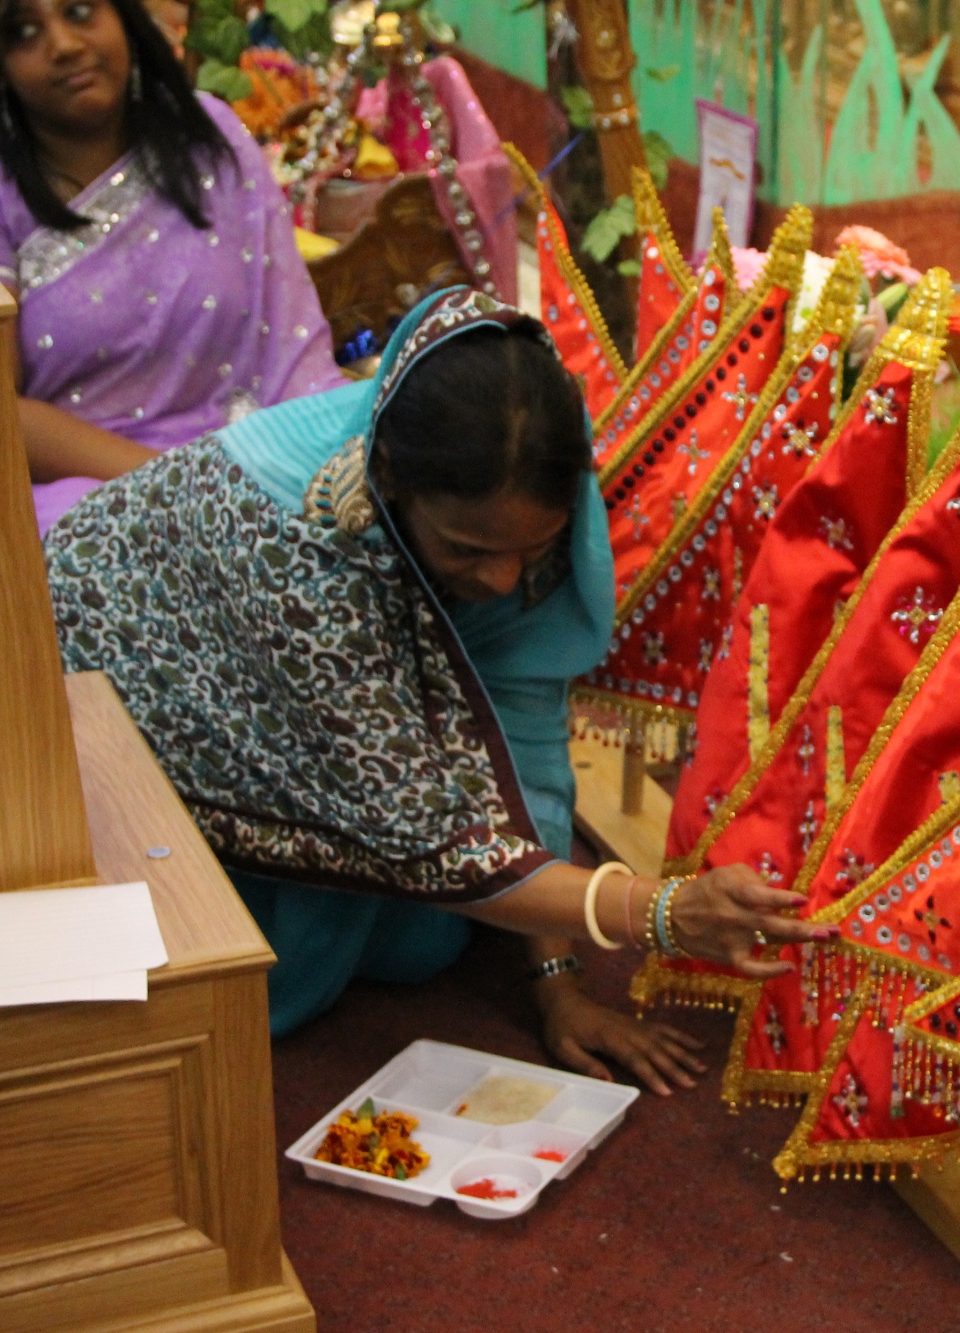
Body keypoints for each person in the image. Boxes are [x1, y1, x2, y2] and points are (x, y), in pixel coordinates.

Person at [44, 288, 823, 1093]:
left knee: (433, 938)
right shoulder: (307, 555)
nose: (504, 578)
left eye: (533, 548)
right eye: (468, 549)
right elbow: (430, 841)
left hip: (349, 731)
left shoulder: (519, 494)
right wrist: (662, 912)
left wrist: (557, 981)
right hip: (127, 713)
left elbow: (523, 729)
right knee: (257, 986)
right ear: (388, 478)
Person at [0, 0, 343, 532]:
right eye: (23, 32)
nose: (63, 45)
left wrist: (322, 465)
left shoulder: (207, 135)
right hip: (80, 504)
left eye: (80, 11)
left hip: (253, 461)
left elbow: (293, 350)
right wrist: (191, 488)